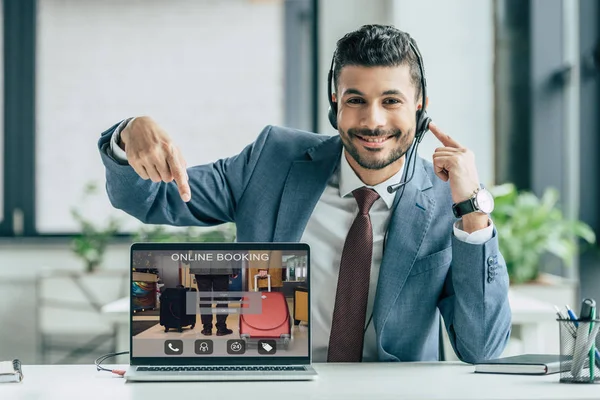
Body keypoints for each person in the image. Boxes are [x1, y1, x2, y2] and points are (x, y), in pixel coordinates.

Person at [98, 24, 511, 363]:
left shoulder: (447, 202)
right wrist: (127, 134)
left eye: (391, 101)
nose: (373, 121)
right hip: (275, 384)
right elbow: (148, 197)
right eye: (356, 100)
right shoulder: (273, 159)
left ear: (420, 107)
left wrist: (472, 210)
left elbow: (483, 348)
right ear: (335, 104)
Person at [187, 253, 241, 336]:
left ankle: (207, 328)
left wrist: (186, 258)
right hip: (221, 264)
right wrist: (235, 268)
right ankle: (221, 328)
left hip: (200, 265)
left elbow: (184, 241)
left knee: (204, 299)